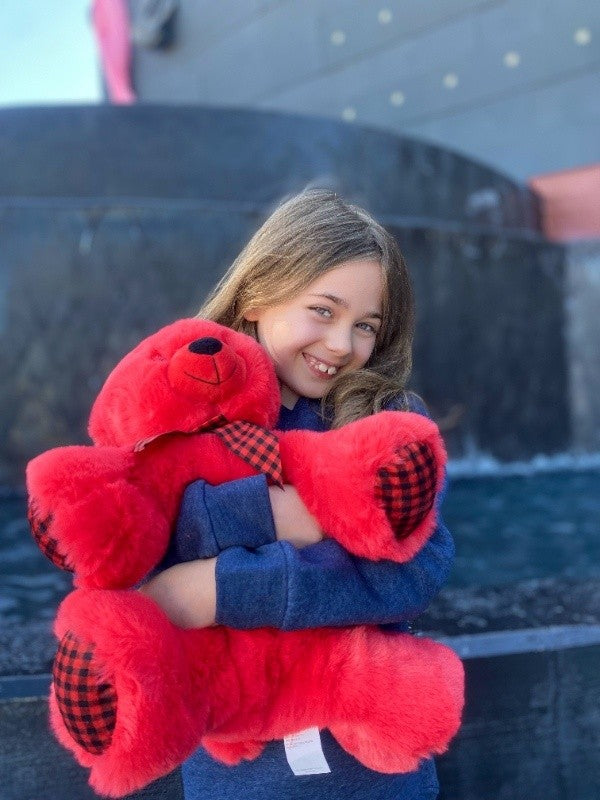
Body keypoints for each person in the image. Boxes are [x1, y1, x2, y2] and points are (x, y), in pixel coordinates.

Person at [141, 188, 456, 800]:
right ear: (259, 295)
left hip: (372, 777)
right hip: (235, 774)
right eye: (323, 310)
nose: (342, 344)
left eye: (366, 325)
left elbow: (413, 574)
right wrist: (285, 514)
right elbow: (145, 537)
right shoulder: (180, 417)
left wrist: (217, 588)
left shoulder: (389, 423)